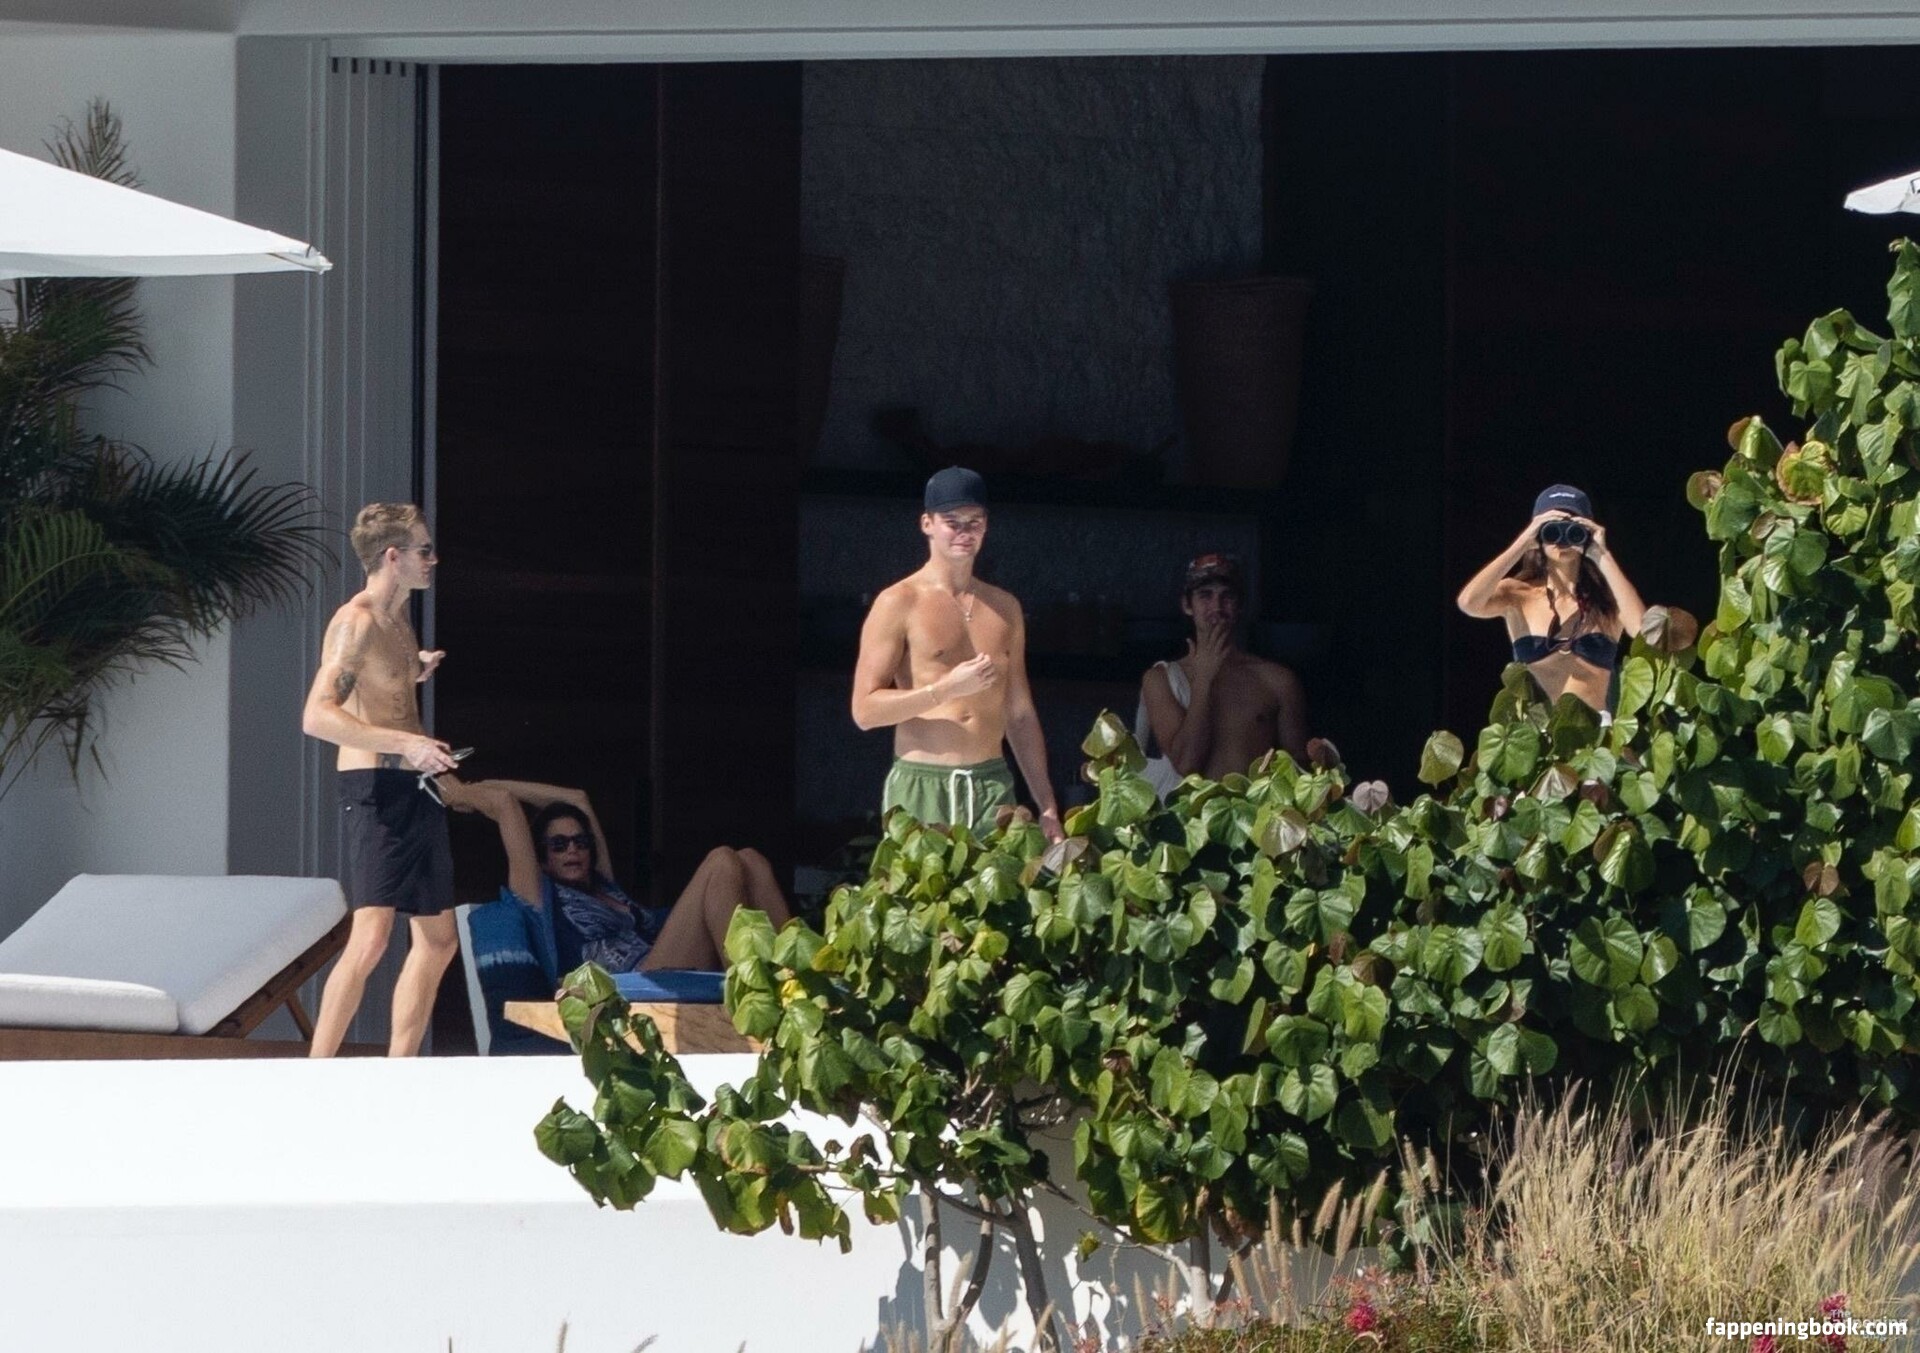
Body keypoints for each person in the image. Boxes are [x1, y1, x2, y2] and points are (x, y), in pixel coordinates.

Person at [300, 502, 460, 1057]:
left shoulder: (398, 619)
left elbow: (380, 683)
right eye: (424, 550)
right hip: (374, 787)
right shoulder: (357, 621)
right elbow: (317, 716)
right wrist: (407, 743)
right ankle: (316, 1070)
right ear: (394, 557)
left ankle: (399, 1071)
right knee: (371, 937)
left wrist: (414, 668)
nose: (432, 560)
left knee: (439, 940)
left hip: (415, 786)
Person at [851, 466, 1063, 842]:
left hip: (991, 784)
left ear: (986, 526)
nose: (965, 532)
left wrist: (1047, 805)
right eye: (952, 522)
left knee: (1002, 882)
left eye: (974, 522)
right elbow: (865, 712)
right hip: (923, 784)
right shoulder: (899, 601)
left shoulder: (1005, 607)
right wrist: (945, 689)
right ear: (927, 524)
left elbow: (1019, 714)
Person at [440, 777, 792, 973]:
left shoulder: (605, 883)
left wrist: (481, 782)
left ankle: (795, 981)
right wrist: (461, 793)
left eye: (580, 842)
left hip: (662, 964)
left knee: (751, 859)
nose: (572, 850)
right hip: (631, 989)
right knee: (721, 861)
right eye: (559, 845)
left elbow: (577, 798)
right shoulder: (539, 897)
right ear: (543, 859)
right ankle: (752, 994)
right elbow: (504, 804)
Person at [1455, 483, 1648, 714]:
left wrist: (1601, 554)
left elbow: (1642, 632)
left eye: (1572, 529)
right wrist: (1523, 543)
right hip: (1537, 729)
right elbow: (1469, 603)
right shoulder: (1518, 594)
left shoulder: (1607, 600)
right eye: (1551, 529)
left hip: (1597, 728)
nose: (1561, 539)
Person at [1136, 552, 1310, 794]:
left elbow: (1300, 775)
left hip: (1255, 813)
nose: (1217, 607)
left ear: (1240, 606)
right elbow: (1186, 765)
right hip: (1185, 815)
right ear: (1187, 605)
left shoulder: (1278, 680)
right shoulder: (1160, 679)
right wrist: (1204, 678)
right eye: (1205, 595)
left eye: (1227, 596)